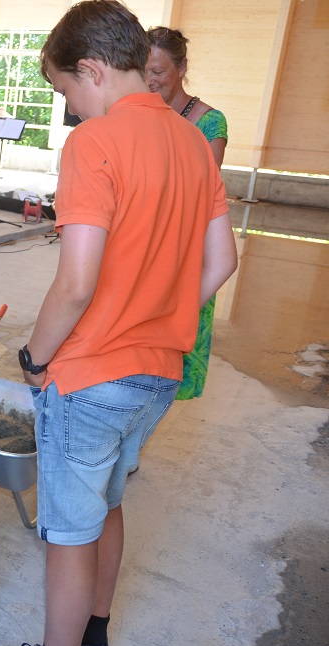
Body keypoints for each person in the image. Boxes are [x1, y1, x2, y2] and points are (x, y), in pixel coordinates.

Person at [0, 3, 238, 646]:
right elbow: (221, 262)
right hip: (159, 372)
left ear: (92, 70)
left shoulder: (94, 143)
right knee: (109, 503)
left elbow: (75, 283)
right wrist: (164, 310)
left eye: (66, 90)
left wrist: (35, 356)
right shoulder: (191, 139)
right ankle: (94, 636)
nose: (69, 107)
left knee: (68, 530)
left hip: (92, 373)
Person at [147, 26, 229, 400]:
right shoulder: (138, 114)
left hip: (185, 254)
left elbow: (200, 199)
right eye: (142, 70)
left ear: (181, 68)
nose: (150, 80)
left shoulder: (210, 123)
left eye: (158, 71)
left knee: (171, 356)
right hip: (143, 244)